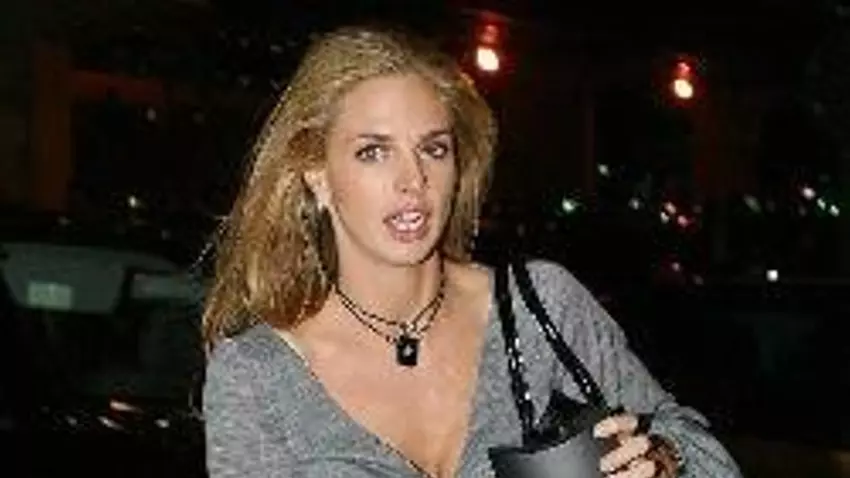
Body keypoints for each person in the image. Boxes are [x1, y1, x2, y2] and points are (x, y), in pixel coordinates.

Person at [202, 25, 743, 478]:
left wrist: (663, 460)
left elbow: (708, 456)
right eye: (374, 152)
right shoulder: (256, 374)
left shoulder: (539, 309)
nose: (413, 179)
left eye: (433, 149)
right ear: (316, 175)